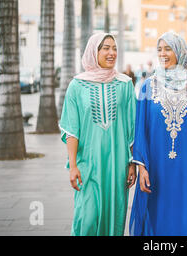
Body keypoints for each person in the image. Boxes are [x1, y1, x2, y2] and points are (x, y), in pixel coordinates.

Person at [129, 31, 187, 236]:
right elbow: (141, 129)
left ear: (179, 51)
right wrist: (142, 167)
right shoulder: (148, 86)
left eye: (168, 49)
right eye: (159, 49)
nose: (163, 54)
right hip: (158, 169)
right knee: (159, 218)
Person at [59, 33, 137, 236]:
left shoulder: (125, 84)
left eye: (114, 48)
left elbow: (131, 128)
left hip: (117, 164)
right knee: (87, 218)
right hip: (88, 165)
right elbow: (71, 130)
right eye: (105, 48)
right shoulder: (77, 86)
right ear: (94, 51)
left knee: (115, 217)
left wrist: (131, 164)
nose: (111, 53)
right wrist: (73, 165)